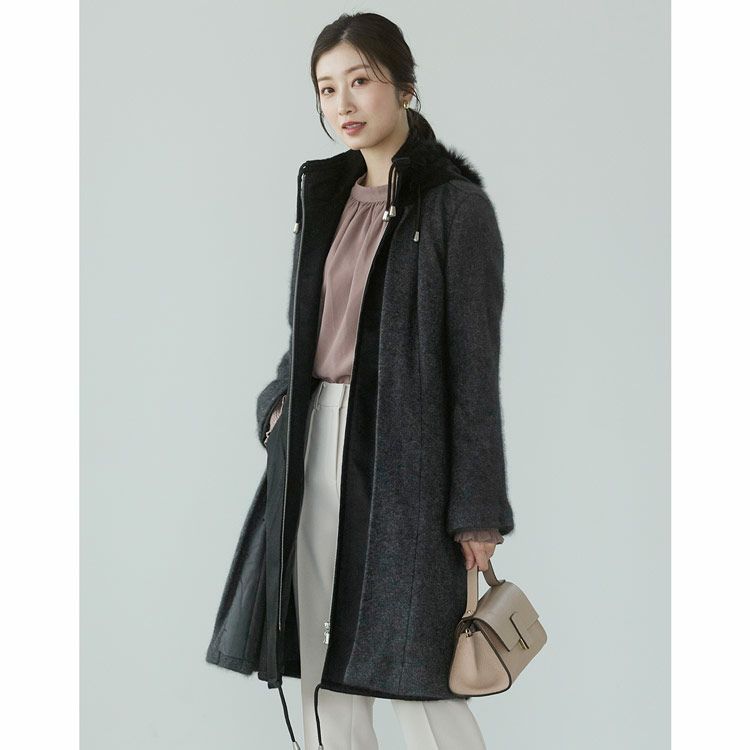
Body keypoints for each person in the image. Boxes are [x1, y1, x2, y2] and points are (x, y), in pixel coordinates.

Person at [206, 12, 515, 750]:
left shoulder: (455, 209)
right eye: (326, 88)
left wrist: (477, 509)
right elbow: (308, 332)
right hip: (315, 445)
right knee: (321, 674)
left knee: (420, 681)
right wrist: (279, 406)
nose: (342, 103)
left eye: (361, 81)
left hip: (408, 461)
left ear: (404, 87)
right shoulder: (327, 198)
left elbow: (475, 370)